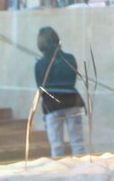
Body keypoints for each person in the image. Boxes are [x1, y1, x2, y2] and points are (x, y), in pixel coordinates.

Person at [35, 26, 87, 158]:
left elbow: (40, 87)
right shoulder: (70, 59)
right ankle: (84, 172)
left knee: (57, 146)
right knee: (78, 143)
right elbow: (71, 80)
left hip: (52, 105)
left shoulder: (40, 64)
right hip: (72, 102)